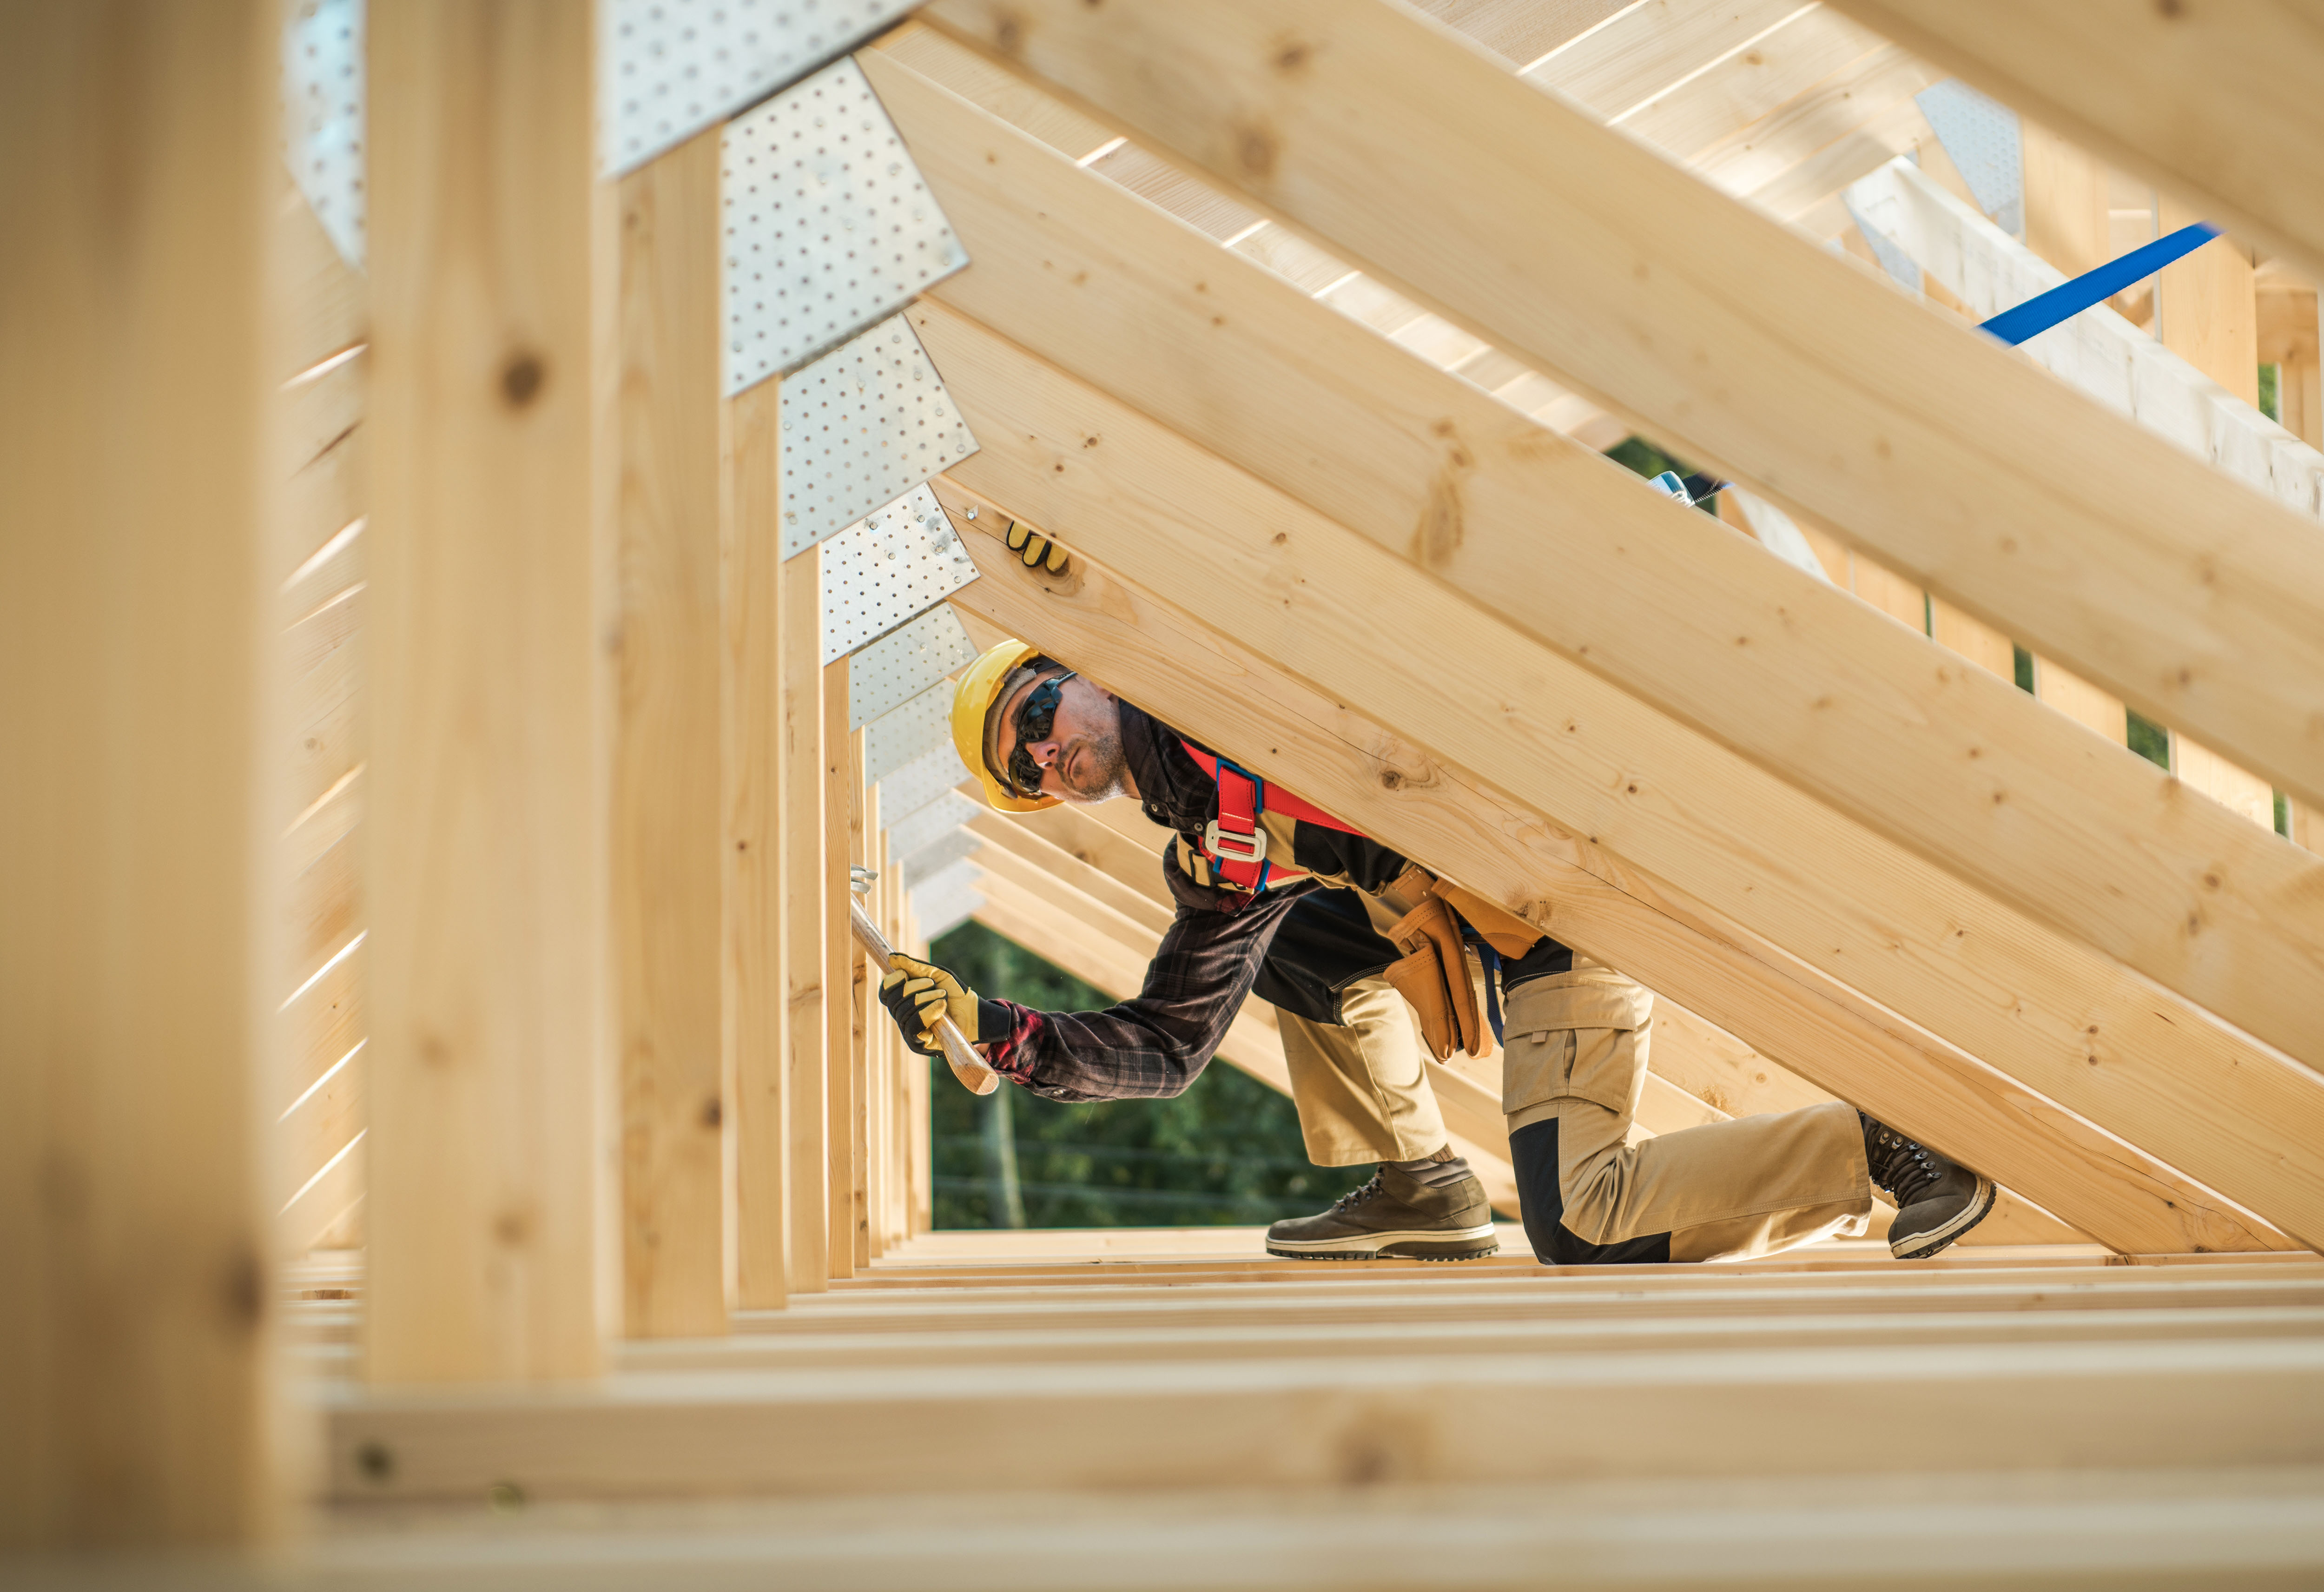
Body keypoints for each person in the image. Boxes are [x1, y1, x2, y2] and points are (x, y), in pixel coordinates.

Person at [880, 623, 1996, 1265]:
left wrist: (1085, 566)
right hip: (1516, 937)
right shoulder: (1219, 852)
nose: (1045, 755)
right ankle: (1422, 1182)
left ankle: (1876, 1149)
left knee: (1580, 1223)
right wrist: (998, 1031)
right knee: (1281, 944)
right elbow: (1167, 1045)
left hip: (1567, 892)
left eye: (1037, 716)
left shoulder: (1211, 661)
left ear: (1084, 666)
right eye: (1026, 771)